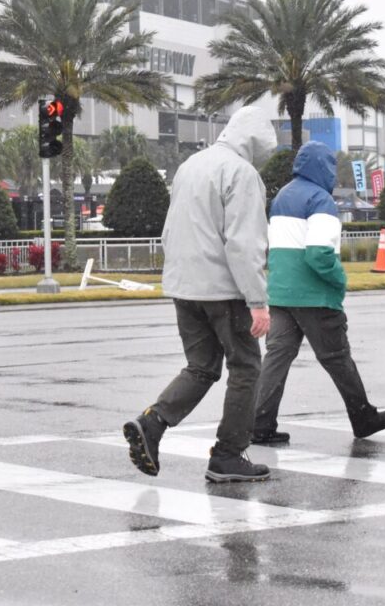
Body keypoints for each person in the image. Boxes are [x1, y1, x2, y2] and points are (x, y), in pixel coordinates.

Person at [122, 103, 278, 484]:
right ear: (256, 143)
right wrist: (258, 301)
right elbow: (244, 243)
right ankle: (227, 455)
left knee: (201, 367)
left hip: (184, 287)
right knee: (246, 366)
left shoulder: (191, 166)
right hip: (224, 291)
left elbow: (170, 229)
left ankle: (153, 423)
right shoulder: (241, 173)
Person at [250, 141, 385, 445]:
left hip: (280, 294)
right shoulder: (321, 200)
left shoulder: (281, 197)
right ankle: (363, 417)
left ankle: (259, 424)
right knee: (337, 358)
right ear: (324, 168)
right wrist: (339, 279)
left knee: (277, 358)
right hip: (315, 296)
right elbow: (318, 253)